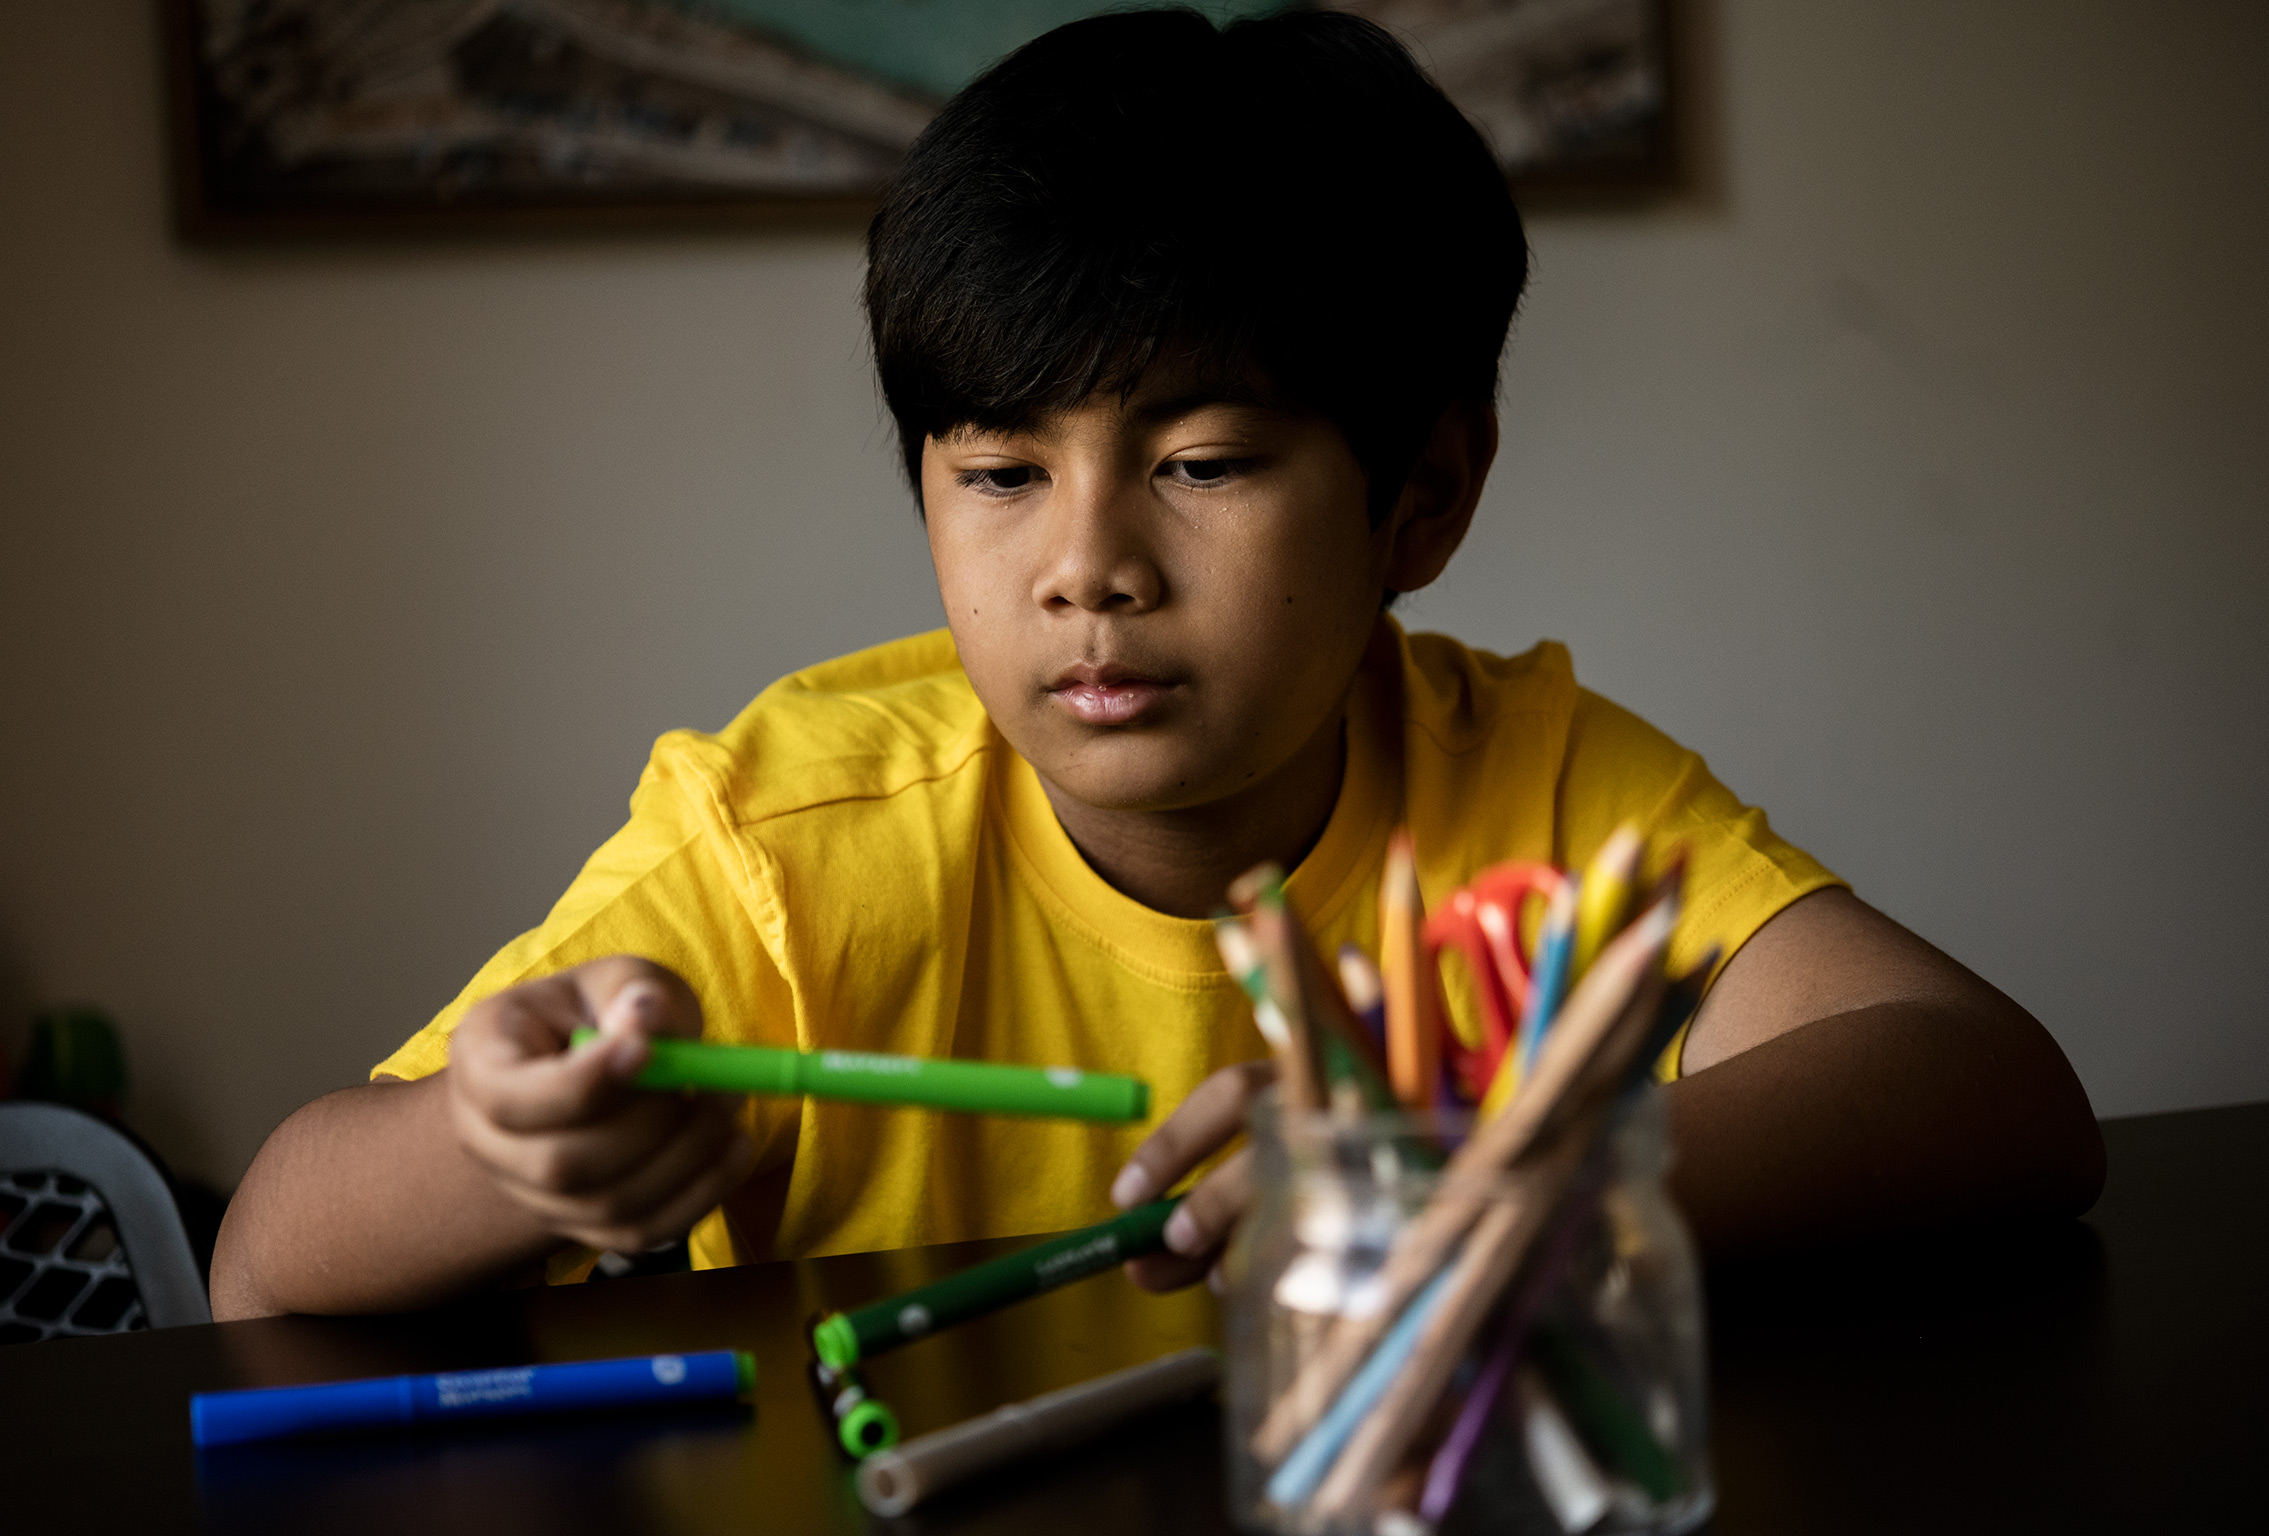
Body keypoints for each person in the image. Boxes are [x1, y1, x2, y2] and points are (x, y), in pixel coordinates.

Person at [210, 10, 2102, 1320]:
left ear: (1421, 499)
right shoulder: (792, 841)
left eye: (1198, 465)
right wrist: (503, 1149)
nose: (1086, 569)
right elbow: (263, 1270)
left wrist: (1485, 1182)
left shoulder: (1529, 785)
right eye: (1001, 473)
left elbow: (1987, 1090)